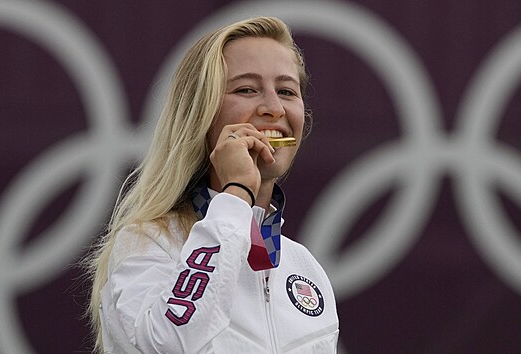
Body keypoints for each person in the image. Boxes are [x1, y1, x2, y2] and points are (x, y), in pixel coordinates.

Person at [85, 16, 339, 353]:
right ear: (200, 115)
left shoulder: (305, 268)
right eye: (246, 89)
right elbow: (168, 345)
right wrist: (236, 195)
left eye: (287, 91)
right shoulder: (149, 243)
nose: (273, 108)